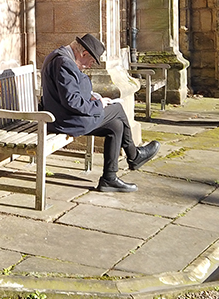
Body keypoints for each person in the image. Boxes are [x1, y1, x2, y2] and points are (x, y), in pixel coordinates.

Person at [40, 33, 160, 193]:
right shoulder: (64, 63)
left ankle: (109, 179)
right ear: (84, 53)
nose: (89, 66)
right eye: (90, 61)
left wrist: (93, 97)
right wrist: (99, 104)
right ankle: (134, 155)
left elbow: (69, 93)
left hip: (64, 116)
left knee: (116, 126)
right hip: (64, 121)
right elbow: (72, 101)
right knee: (117, 109)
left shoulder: (62, 57)